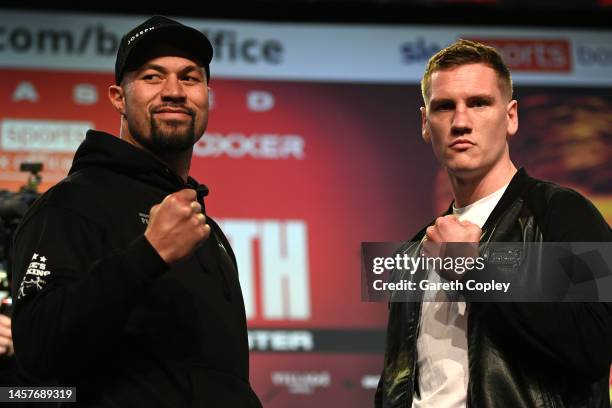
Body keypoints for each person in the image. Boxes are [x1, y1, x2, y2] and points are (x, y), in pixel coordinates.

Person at [11, 16, 262, 407]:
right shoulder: (71, 204)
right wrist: (148, 255)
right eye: (152, 77)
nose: (174, 91)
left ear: (207, 96)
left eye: (190, 78)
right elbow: (36, 349)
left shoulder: (205, 228)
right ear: (118, 98)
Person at [375, 39, 612, 408]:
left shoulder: (566, 212)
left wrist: (476, 269)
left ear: (510, 116)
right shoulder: (413, 252)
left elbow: (597, 344)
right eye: (444, 107)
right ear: (425, 123)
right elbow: (398, 387)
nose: (460, 122)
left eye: (479, 103)